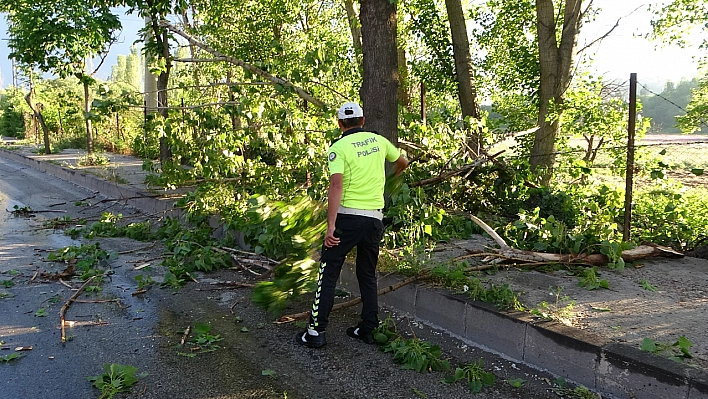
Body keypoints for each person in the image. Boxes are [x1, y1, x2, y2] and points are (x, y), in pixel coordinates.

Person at [297, 102, 408, 348]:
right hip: (374, 219)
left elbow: (336, 185)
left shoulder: (339, 147)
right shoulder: (378, 141)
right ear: (363, 120)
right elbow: (402, 162)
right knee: (367, 274)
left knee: (329, 271)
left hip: (347, 219)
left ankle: (316, 332)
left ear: (340, 124)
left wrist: (330, 226)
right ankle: (368, 328)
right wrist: (390, 181)